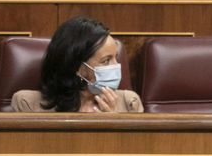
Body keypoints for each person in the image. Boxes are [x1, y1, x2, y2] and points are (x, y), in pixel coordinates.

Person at [12, 16, 143, 113]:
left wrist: (114, 124)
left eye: (116, 58)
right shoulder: (27, 104)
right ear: (78, 68)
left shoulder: (129, 103)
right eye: (106, 61)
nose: (116, 66)